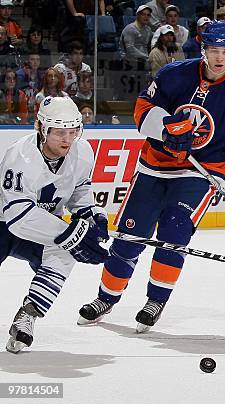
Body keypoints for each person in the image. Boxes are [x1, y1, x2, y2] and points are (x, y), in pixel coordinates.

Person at [78, 21, 225, 333]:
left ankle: (156, 300)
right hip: (153, 167)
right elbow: (142, 108)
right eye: (214, 50)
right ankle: (106, 298)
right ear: (204, 50)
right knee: (128, 237)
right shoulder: (174, 74)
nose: (220, 58)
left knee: (174, 234)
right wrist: (165, 129)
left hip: (201, 173)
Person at [0, 96, 109, 353]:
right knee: (68, 241)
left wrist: (91, 214)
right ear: (41, 128)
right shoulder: (20, 156)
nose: (67, 140)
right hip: (4, 224)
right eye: (60, 132)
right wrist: (72, 233)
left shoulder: (82, 151)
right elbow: (19, 218)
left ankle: (28, 315)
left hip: (44, 225)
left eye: (73, 132)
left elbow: (80, 189)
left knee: (64, 252)